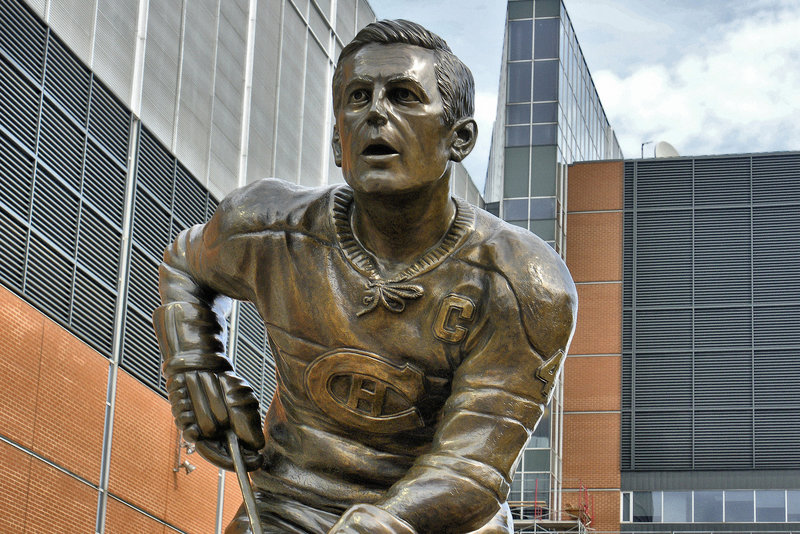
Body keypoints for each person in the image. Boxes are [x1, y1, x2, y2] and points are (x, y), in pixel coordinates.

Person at [153, 19, 576, 534]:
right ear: (338, 142)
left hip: (441, 519)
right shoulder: (266, 228)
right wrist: (196, 367)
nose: (376, 112)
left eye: (403, 96)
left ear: (458, 138)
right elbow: (184, 266)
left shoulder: (523, 283)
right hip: (291, 500)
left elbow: (473, 466)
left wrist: (384, 523)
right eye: (358, 97)